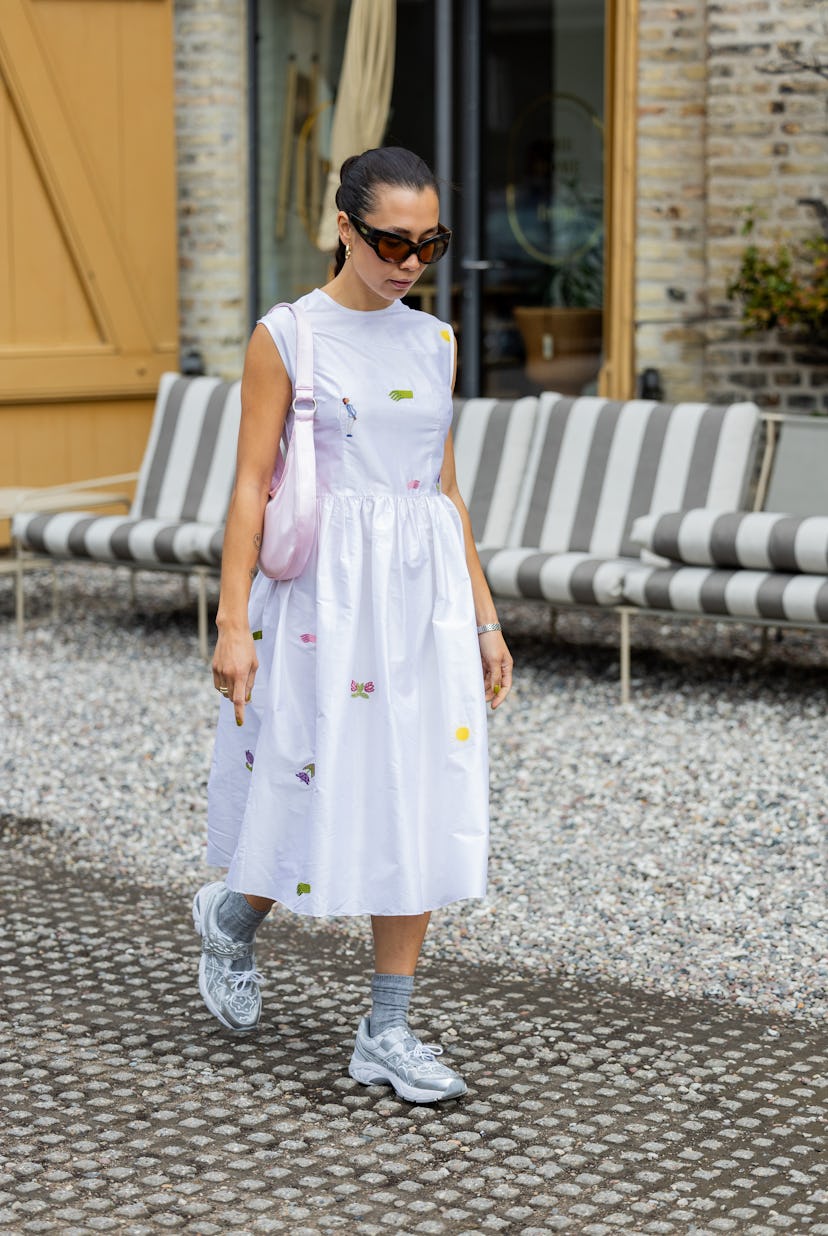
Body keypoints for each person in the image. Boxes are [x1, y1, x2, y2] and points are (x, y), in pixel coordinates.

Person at [194, 146, 513, 1104]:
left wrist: (487, 620)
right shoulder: (288, 337)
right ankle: (233, 918)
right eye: (388, 240)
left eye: (429, 244)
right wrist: (232, 622)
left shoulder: (438, 342)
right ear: (343, 227)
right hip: (323, 604)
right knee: (305, 787)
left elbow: (444, 490)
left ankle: (387, 1029)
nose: (408, 261)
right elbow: (251, 487)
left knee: (414, 793)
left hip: (423, 605)